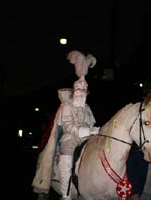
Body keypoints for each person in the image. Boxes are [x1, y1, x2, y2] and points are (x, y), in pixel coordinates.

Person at [57, 50, 99, 200]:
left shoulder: (87, 108)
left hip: (87, 138)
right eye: (78, 89)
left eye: (83, 90)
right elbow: (68, 127)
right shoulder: (66, 106)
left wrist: (96, 131)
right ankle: (66, 193)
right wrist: (89, 131)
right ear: (74, 90)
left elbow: (92, 122)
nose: (81, 92)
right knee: (67, 154)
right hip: (71, 138)